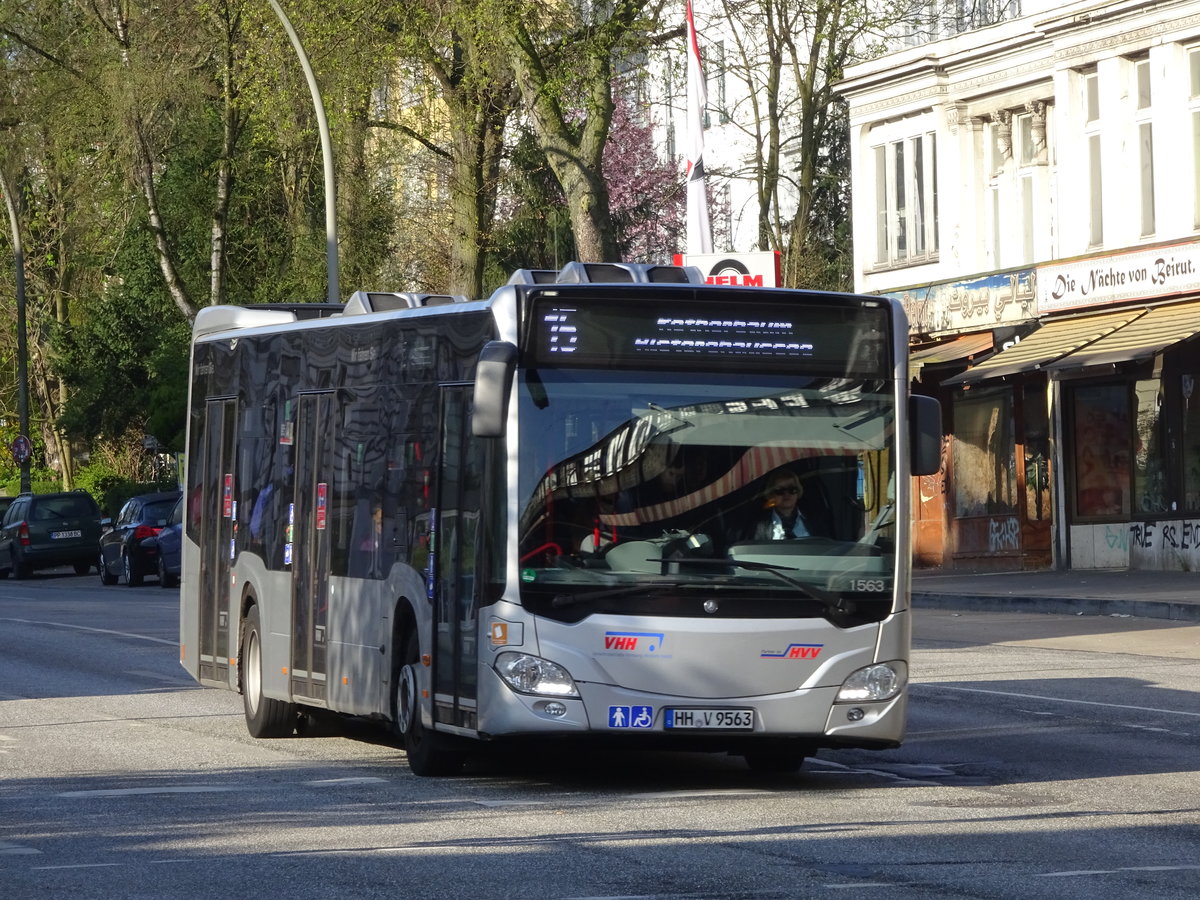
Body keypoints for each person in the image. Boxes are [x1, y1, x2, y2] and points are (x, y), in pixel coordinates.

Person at [751, 469, 810, 540]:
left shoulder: (816, 520)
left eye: (792, 489)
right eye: (780, 490)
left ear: (798, 491)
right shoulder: (760, 525)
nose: (786, 494)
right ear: (771, 495)